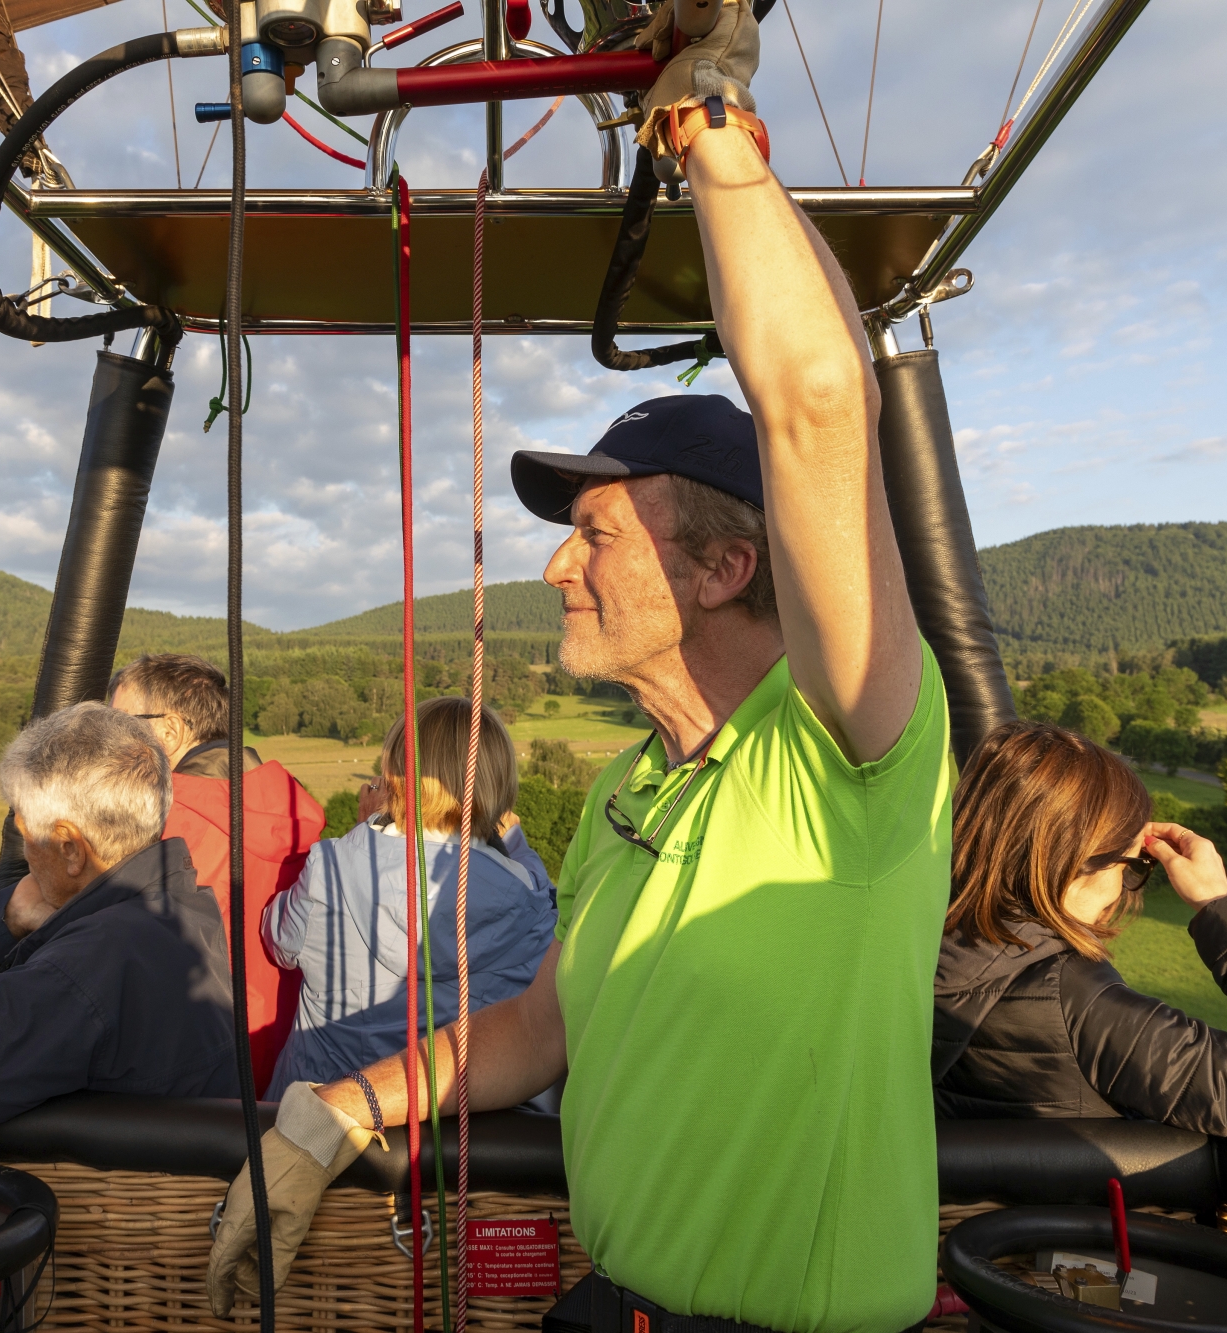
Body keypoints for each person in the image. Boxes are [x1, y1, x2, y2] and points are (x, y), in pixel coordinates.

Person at [207, 6, 956, 1329]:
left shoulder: (849, 748)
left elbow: (820, 403)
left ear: (725, 569)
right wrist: (337, 1108)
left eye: (596, 535)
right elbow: (541, 1031)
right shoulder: (628, 792)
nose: (557, 569)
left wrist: (710, 133)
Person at [932, 720, 1227, 1160]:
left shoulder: (920, 947)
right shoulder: (1075, 1003)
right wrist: (1223, 908)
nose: (1124, 889)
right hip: (1091, 1237)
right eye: (1132, 865)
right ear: (1076, 865)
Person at [0, 702, 239, 1140]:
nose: (27, 856)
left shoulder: (86, 970)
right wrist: (9, 918)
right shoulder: (183, 908)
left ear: (70, 847)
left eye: (26, 833)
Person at [262, 695, 557, 1097]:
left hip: (326, 1117)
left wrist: (362, 831)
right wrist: (515, 844)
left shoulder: (330, 868)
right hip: (466, 1133)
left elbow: (278, 938)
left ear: (395, 778)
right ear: (498, 782)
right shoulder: (530, 903)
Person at [110, 652, 328, 1093]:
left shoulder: (161, 824)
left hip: (194, 1065)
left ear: (168, 731)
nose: (107, 744)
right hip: (287, 1053)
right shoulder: (289, 809)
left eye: (117, 727)